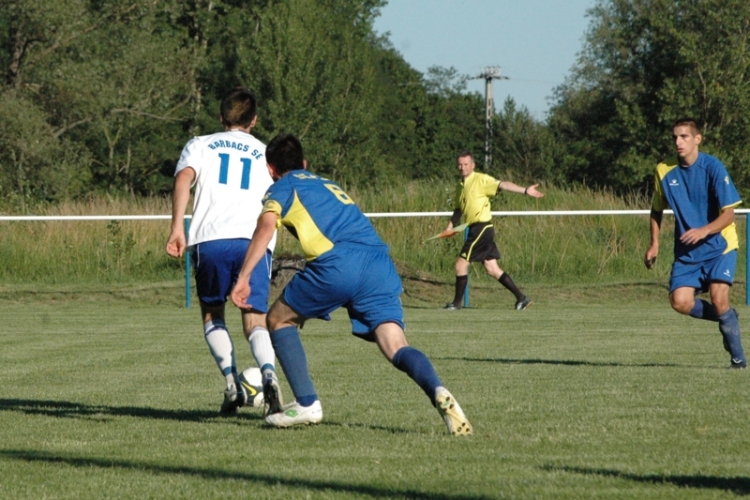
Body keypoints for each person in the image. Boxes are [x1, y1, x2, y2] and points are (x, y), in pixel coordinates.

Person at [230, 133, 472, 436]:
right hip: (379, 264)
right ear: (305, 163)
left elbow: (265, 226)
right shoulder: (328, 184)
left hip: (337, 263)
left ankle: (306, 403)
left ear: (270, 169)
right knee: (396, 344)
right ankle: (437, 389)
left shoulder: (282, 187)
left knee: (278, 320)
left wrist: (243, 278)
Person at [165, 87, 282, 415]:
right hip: (253, 242)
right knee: (254, 318)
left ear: (221, 117)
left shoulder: (200, 144)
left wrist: (177, 227)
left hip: (211, 240)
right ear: (254, 120)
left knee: (213, 314)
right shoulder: (264, 152)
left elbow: (183, 179)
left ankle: (232, 384)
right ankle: (269, 375)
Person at [645, 118, 747, 368]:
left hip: (720, 246)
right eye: (675, 138)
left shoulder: (713, 167)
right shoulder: (663, 171)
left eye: (684, 137)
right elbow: (656, 209)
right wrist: (654, 243)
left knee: (719, 297)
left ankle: (738, 361)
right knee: (679, 302)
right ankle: (727, 318)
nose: (678, 142)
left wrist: (704, 231)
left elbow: (729, 214)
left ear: (697, 139)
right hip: (688, 252)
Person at [442, 151, 544, 311]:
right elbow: (458, 209)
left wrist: (525, 190)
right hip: (475, 228)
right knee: (492, 269)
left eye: (466, 164)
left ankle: (456, 304)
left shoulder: (481, 180)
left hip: (481, 228)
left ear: (473, 165)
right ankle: (522, 298)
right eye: (460, 164)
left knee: (460, 264)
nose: (462, 167)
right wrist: (450, 226)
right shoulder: (460, 186)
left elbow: (503, 184)